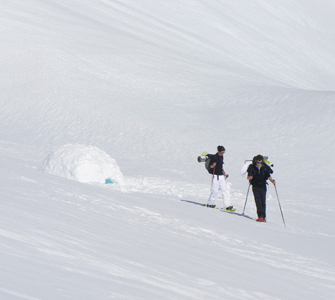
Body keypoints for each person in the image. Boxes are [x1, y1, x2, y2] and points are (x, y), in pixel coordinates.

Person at [247, 154, 275, 222]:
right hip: (255, 186)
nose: (259, 164)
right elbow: (248, 176)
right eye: (258, 162)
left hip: (262, 186)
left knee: (263, 201)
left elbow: (269, 176)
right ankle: (260, 216)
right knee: (258, 201)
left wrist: (272, 181)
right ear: (255, 161)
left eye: (260, 162)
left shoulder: (265, 167)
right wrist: (249, 178)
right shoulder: (252, 167)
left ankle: (263, 216)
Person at [207, 145, 234, 211]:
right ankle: (211, 203)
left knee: (224, 190)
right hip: (215, 176)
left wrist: (224, 173)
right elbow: (210, 167)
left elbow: (221, 166)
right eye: (221, 152)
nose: (222, 154)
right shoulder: (214, 157)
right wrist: (213, 165)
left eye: (223, 153)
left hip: (221, 176)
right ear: (218, 151)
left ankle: (227, 205)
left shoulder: (221, 157)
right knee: (215, 190)